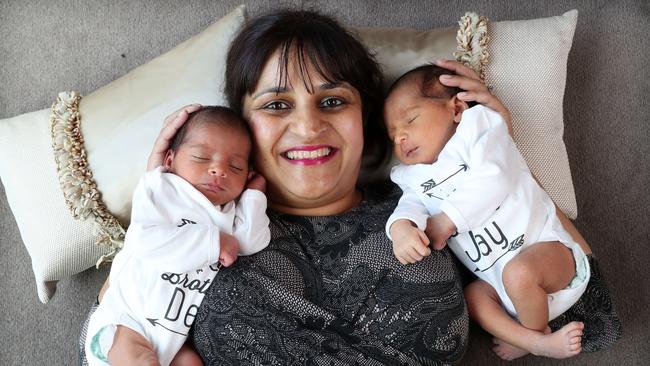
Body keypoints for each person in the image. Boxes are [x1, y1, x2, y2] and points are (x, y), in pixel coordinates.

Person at [80, 9, 619, 366]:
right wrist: (166, 194)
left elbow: (583, 307)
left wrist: (505, 157)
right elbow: (111, 343)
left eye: (333, 101)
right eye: (275, 105)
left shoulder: (427, 211)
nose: (309, 127)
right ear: (242, 126)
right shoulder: (206, 237)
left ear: (369, 121)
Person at [384, 64, 591, 360]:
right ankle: (529, 337)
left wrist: (447, 220)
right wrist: (401, 229)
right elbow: (408, 206)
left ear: (456, 108)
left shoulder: (478, 129)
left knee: (519, 273)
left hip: (550, 252)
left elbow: (496, 176)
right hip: (500, 288)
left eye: (410, 120)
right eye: (393, 135)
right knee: (474, 298)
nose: (400, 138)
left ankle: (533, 335)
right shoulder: (412, 177)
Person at [84, 106, 270, 366]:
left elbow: (250, 242)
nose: (219, 170)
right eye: (202, 158)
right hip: (126, 320)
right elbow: (144, 240)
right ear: (170, 161)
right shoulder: (163, 189)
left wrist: (253, 197)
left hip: (170, 337)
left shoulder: (228, 212)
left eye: (235, 166)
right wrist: (212, 242)